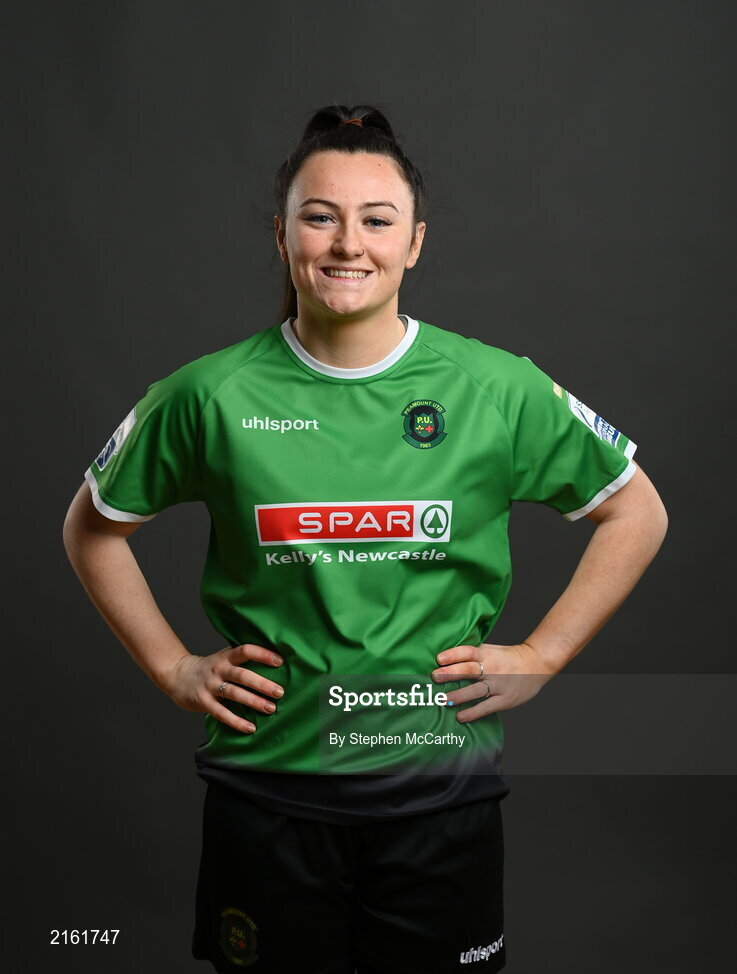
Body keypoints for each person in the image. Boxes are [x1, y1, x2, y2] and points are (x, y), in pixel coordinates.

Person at [62, 103, 668, 974]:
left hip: (439, 795)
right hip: (268, 793)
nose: (348, 243)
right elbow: (92, 529)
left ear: (414, 243)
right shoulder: (207, 394)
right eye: (320, 217)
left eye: (376, 221)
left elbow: (636, 511)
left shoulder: (494, 387)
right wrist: (172, 667)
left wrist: (542, 654)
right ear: (282, 237)